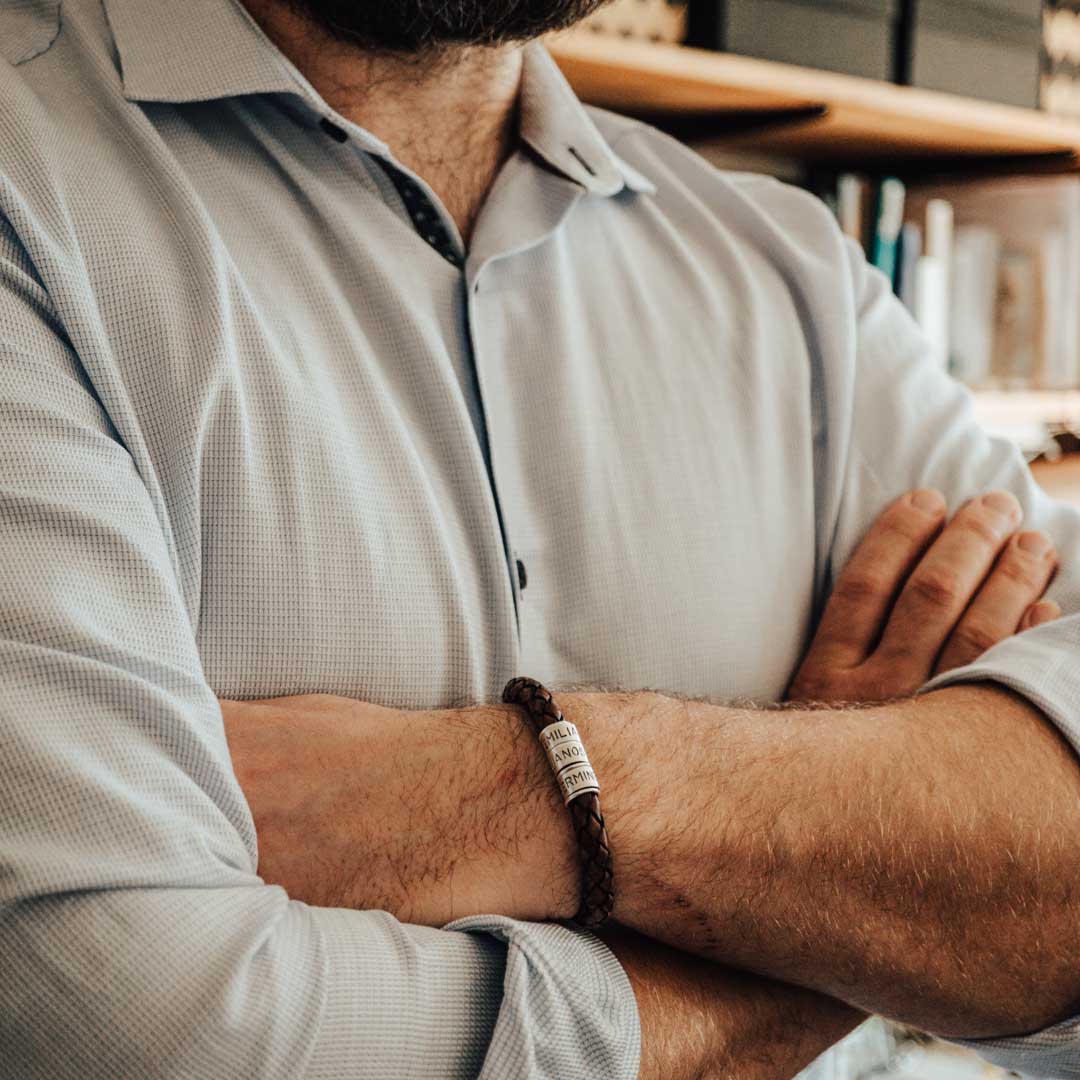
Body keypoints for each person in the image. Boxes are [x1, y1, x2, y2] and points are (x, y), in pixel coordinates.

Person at [1, 1, 1078, 1078]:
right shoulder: (25, 179)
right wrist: (848, 888)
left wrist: (518, 798)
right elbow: (145, 1032)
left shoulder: (797, 277)